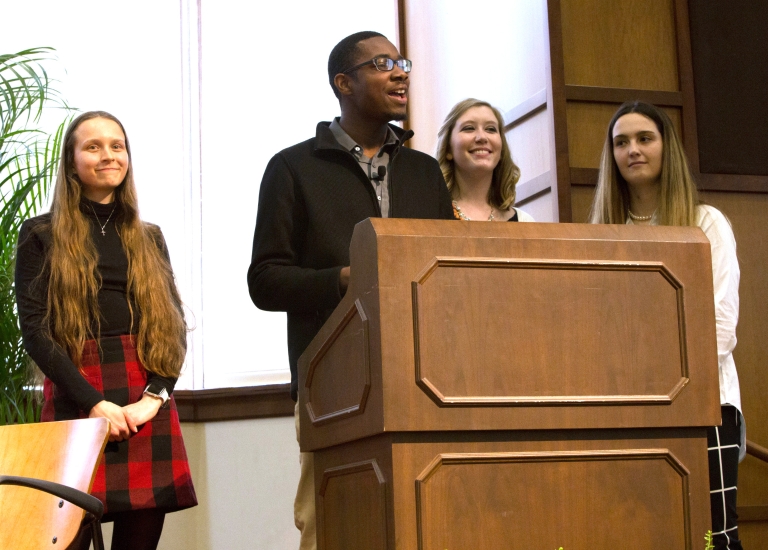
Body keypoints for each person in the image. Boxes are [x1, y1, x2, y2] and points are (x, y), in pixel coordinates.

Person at [247, 31, 454, 550]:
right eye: (383, 63)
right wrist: (343, 279)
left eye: (402, 62)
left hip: (422, 376)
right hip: (331, 378)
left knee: (416, 521)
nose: (401, 73)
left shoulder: (425, 171)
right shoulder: (293, 167)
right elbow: (265, 280)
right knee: (331, 524)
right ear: (343, 82)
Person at [15, 111, 197, 550]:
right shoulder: (41, 234)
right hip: (77, 395)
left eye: (117, 146)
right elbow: (35, 329)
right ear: (71, 161)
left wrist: (154, 398)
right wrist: (93, 402)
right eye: (93, 147)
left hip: (142, 403)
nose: (108, 156)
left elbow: (172, 328)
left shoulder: (149, 236)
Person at [588, 100, 743, 550]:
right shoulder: (600, 230)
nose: (632, 150)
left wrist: (668, 385)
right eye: (621, 142)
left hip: (704, 406)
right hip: (625, 407)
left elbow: (722, 325)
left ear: (666, 147)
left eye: (644, 139)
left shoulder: (704, 221)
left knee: (714, 537)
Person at [436, 98, 534, 222]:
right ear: (448, 148)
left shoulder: (524, 222)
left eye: (490, 129)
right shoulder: (428, 216)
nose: (482, 137)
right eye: (469, 128)